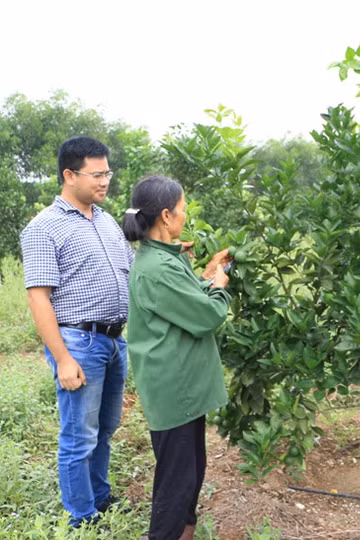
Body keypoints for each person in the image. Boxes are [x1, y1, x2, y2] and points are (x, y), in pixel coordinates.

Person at [20, 136, 131, 527]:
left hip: (116, 340)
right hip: (78, 343)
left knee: (105, 428)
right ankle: (82, 517)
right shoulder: (44, 228)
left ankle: (101, 498)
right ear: (69, 175)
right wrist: (63, 359)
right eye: (96, 174)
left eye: (107, 173)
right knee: (78, 436)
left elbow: (131, 272)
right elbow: (39, 299)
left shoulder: (106, 221)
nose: (105, 181)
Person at [122, 175, 232, 540]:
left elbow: (184, 294)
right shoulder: (157, 268)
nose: (185, 216)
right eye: (183, 210)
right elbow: (205, 315)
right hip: (175, 390)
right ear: (166, 216)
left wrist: (206, 271)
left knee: (190, 473)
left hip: (181, 389)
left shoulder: (161, 259)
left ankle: (184, 533)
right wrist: (219, 288)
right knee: (176, 482)